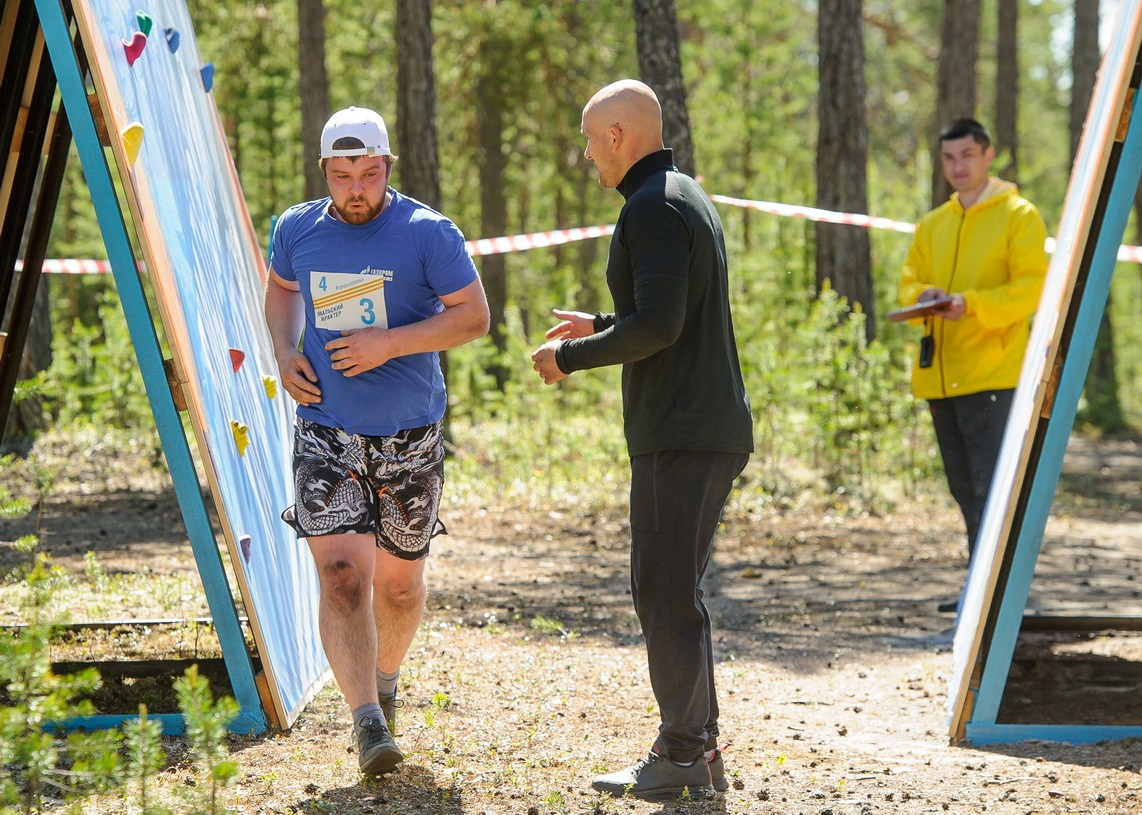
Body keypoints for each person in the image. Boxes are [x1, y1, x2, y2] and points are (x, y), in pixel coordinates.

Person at [530, 79, 753, 801]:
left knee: (661, 591)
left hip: (683, 431)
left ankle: (685, 754)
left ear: (620, 135)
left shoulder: (650, 207)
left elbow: (660, 327)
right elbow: (662, 311)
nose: (586, 153)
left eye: (591, 139)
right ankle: (697, 745)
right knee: (670, 590)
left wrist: (567, 359)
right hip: (698, 426)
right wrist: (599, 324)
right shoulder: (680, 193)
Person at [264, 106, 489, 775]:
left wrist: (388, 342)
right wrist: (281, 350)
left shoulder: (427, 233)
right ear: (325, 173)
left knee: (396, 588)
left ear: (388, 166)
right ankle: (365, 720)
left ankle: (385, 680)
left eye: (367, 173)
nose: (355, 189)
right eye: (341, 175)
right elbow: (281, 293)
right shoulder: (297, 228)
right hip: (326, 430)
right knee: (341, 581)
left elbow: (474, 317)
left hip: (408, 434)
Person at [897, 118, 1047, 612]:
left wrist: (972, 305)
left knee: (994, 493)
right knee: (965, 492)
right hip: (941, 379)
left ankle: (999, 599)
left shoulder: (1019, 216)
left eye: (967, 155)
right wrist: (924, 296)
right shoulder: (932, 224)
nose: (957, 167)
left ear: (988, 155)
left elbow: (1030, 290)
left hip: (993, 378)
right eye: (949, 158)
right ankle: (979, 591)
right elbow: (906, 285)